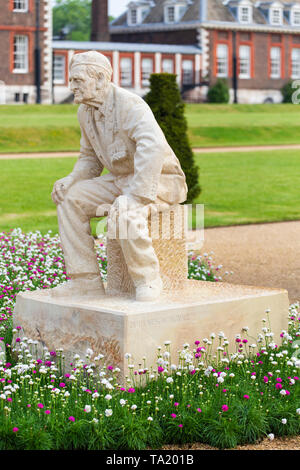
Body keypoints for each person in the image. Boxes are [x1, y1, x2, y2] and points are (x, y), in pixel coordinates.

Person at [50, 51, 187, 302]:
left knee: (125, 209)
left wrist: (136, 196)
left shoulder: (130, 105)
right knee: (69, 198)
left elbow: (152, 148)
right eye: (72, 80)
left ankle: (148, 279)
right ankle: (85, 281)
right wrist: (70, 180)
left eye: (78, 81)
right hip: (121, 180)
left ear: (100, 79)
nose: (71, 87)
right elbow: (90, 159)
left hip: (160, 179)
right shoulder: (85, 112)